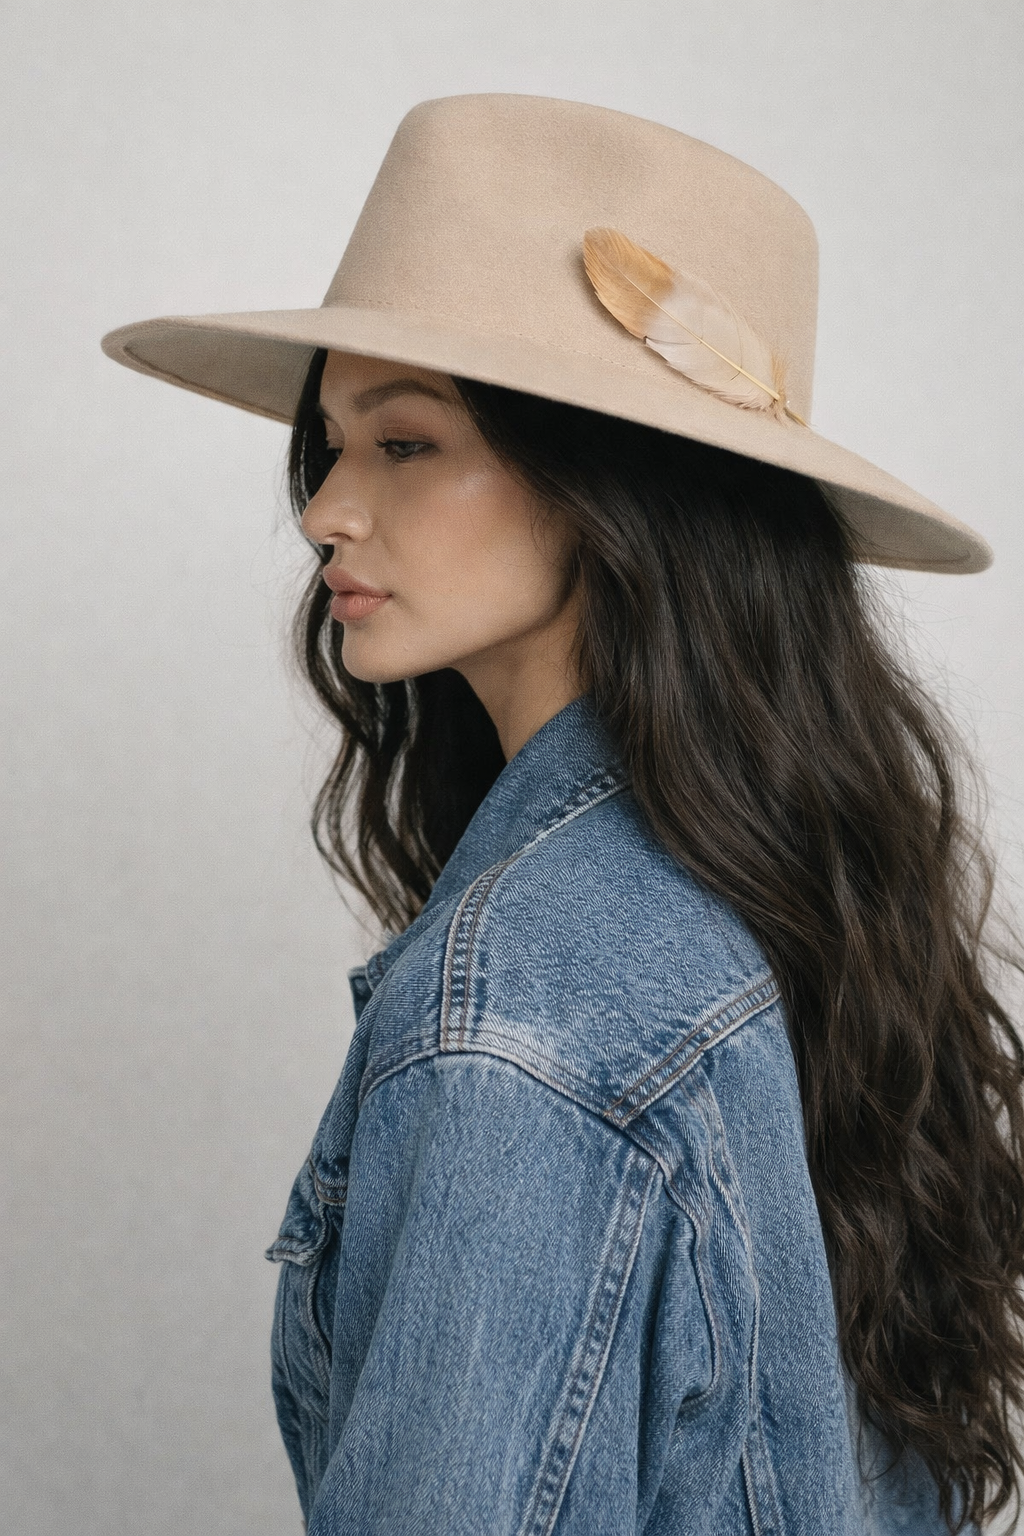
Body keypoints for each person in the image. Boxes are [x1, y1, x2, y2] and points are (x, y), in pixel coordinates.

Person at [102, 94, 1024, 1535]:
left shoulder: (515, 1007)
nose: (324, 511)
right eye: (330, 445)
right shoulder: (782, 898)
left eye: (405, 444)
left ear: (614, 489)